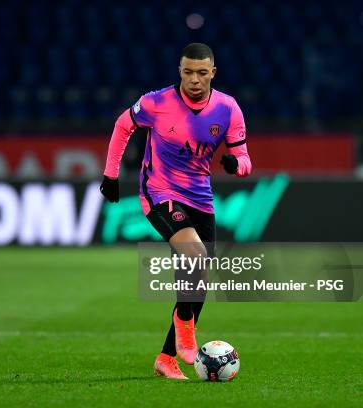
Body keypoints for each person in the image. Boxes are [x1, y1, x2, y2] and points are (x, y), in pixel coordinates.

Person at [100, 43, 252, 380]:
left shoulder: (228, 109)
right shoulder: (157, 102)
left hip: (201, 197)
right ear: (179, 71)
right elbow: (123, 125)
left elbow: (244, 159)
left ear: (213, 72)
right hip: (159, 191)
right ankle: (185, 329)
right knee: (195, 255)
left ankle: (166, 358)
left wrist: (234, 164)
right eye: (187, 72)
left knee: (198, 279)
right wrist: (111, 175)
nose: (194, 79)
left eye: (201, 72)